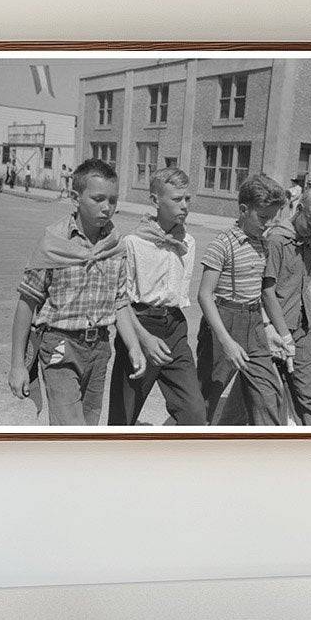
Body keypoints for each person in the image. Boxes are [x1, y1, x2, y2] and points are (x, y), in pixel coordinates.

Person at [8, 159, 145, 425]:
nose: (107, 208)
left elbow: (120, 302)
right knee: (72, 429)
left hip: (100, 348)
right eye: (98, 199)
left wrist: (134, 347)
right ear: (75, 198)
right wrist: (17, 365)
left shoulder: (115, 245)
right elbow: (26, 304)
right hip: (60, 345)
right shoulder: (53, 243)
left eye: (113, 200)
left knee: (88, 425)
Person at [108, 167, 206, 426]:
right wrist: (144, 339)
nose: (184, 206)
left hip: (175, 327)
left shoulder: (188, 242)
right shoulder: (133, 243)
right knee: (124, 416)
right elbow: (120, 300)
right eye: (176, 199)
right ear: (155, 201)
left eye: (187, 199)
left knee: (194, 412)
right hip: (140, 325)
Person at [196, 173, 286, 425]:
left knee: (268, 392)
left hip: (254, 324)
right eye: (263, 217)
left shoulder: (263, 244)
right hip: (223, 322)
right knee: (207, 395)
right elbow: (204, 295)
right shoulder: (222, 244)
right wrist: (225, 341)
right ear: (244, 210)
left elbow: (259, 291)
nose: (268, 224)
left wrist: (268, 327)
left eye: (273, 218)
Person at [260, 187, 311, 426]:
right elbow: (267, 292)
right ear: (300, 210)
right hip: (274, 330)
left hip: (301, 329)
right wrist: (283, 334)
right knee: (263, 398)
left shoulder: (310, 243)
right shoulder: (276, 240)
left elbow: (307, 285)